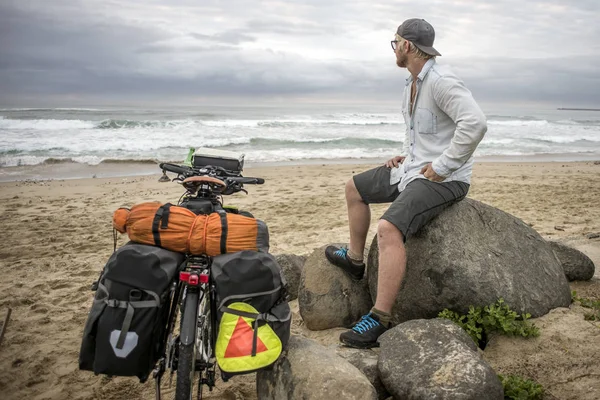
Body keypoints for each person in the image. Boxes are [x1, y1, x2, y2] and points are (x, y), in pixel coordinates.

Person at [325, 18, 487, 349]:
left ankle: (379, 318)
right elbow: (420, 132)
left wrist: (442, 166)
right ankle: (356, 260)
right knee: (354, 188)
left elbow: (475, 124)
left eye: (395, 42)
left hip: (445, 180)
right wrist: (404, 156)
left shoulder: (442, 82)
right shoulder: (410, 83)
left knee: (388, 229)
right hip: (411, 168)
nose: (394, 48)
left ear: (408, 46)